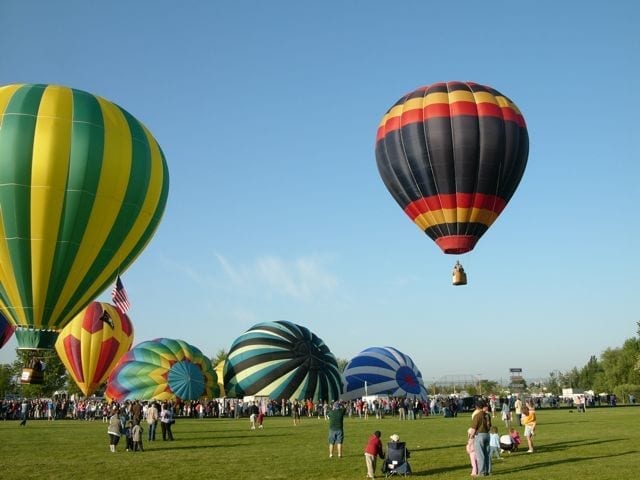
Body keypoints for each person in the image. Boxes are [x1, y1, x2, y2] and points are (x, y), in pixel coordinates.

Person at [469, 399, 492, 476]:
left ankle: (481, 472)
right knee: (487, 454)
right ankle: (488, 471)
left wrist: (471, 438)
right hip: (487, 435)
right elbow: (490, 426)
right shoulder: (487, 415)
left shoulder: (477, 415)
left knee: (480, 455)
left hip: (479, 436)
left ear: (477, 407)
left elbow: (473, 429)